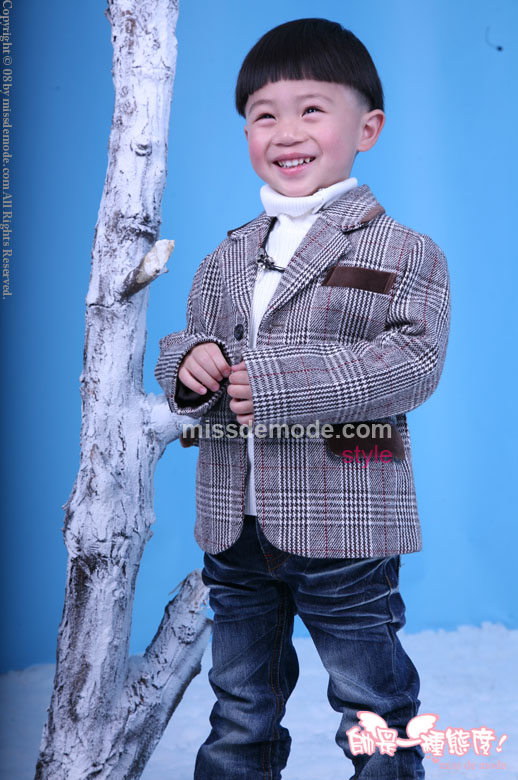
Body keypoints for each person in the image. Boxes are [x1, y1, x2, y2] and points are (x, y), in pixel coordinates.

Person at [154, 17, 450, 780]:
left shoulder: (403, 250)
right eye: (264, 115)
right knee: (239, 706)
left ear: (368, 128)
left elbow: (411, 363)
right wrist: (189, 363)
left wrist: (281, 384)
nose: (286, 132)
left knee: (372, 702)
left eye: (312, 109)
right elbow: (188, 342)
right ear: (246, 133)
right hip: (236, 529)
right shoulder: (226, 256)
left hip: (345, 521)